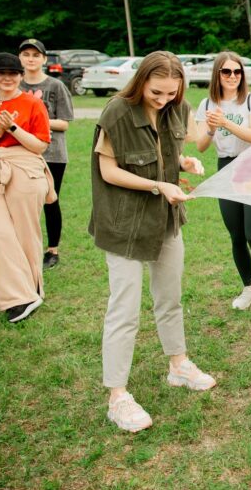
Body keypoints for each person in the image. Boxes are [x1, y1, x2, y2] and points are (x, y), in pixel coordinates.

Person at [89, 51, 215, 433]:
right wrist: (157, 185)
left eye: (171, 93)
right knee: (124, 310)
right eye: (156, 92)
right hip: (124, 225)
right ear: (141, 81)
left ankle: (178, 365)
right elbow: (108, 170)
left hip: (165, 221)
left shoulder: (177, 108)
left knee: (169, 297)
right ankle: (117, 397)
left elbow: (166, 155)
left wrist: (184, 164)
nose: (163, 100)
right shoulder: (116, 111)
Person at [195, 51, 251, 312]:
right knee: (237, 236)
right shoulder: (207, 104)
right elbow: (200, 145)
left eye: (237, 71)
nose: (232, 76)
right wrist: (211, 127)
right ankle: (248, 289)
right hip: (226, 168)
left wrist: (225, 124)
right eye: (226, 71)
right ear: (217, 74)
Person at [0, 52, 53, 323]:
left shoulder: (32, 103)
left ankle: (31, 291)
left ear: (20, 76)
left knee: (25, 232)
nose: (7, 78)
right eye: (1, 73)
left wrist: (13, 128)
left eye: (12, 73)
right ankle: (17, 295)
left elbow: (41, 145)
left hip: (25, 170)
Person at [18, 38, 73, 270]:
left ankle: (52, 250)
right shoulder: (14, 85)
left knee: (50, 200)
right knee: (23, 202)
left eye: (35, 55)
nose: (31, 59)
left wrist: (36, 122)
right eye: (26, 54)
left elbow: (65, 122)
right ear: (20, 58)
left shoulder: (55, 86)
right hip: (20, 153)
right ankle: (25, 247)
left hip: (53, 154)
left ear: (43, 58)